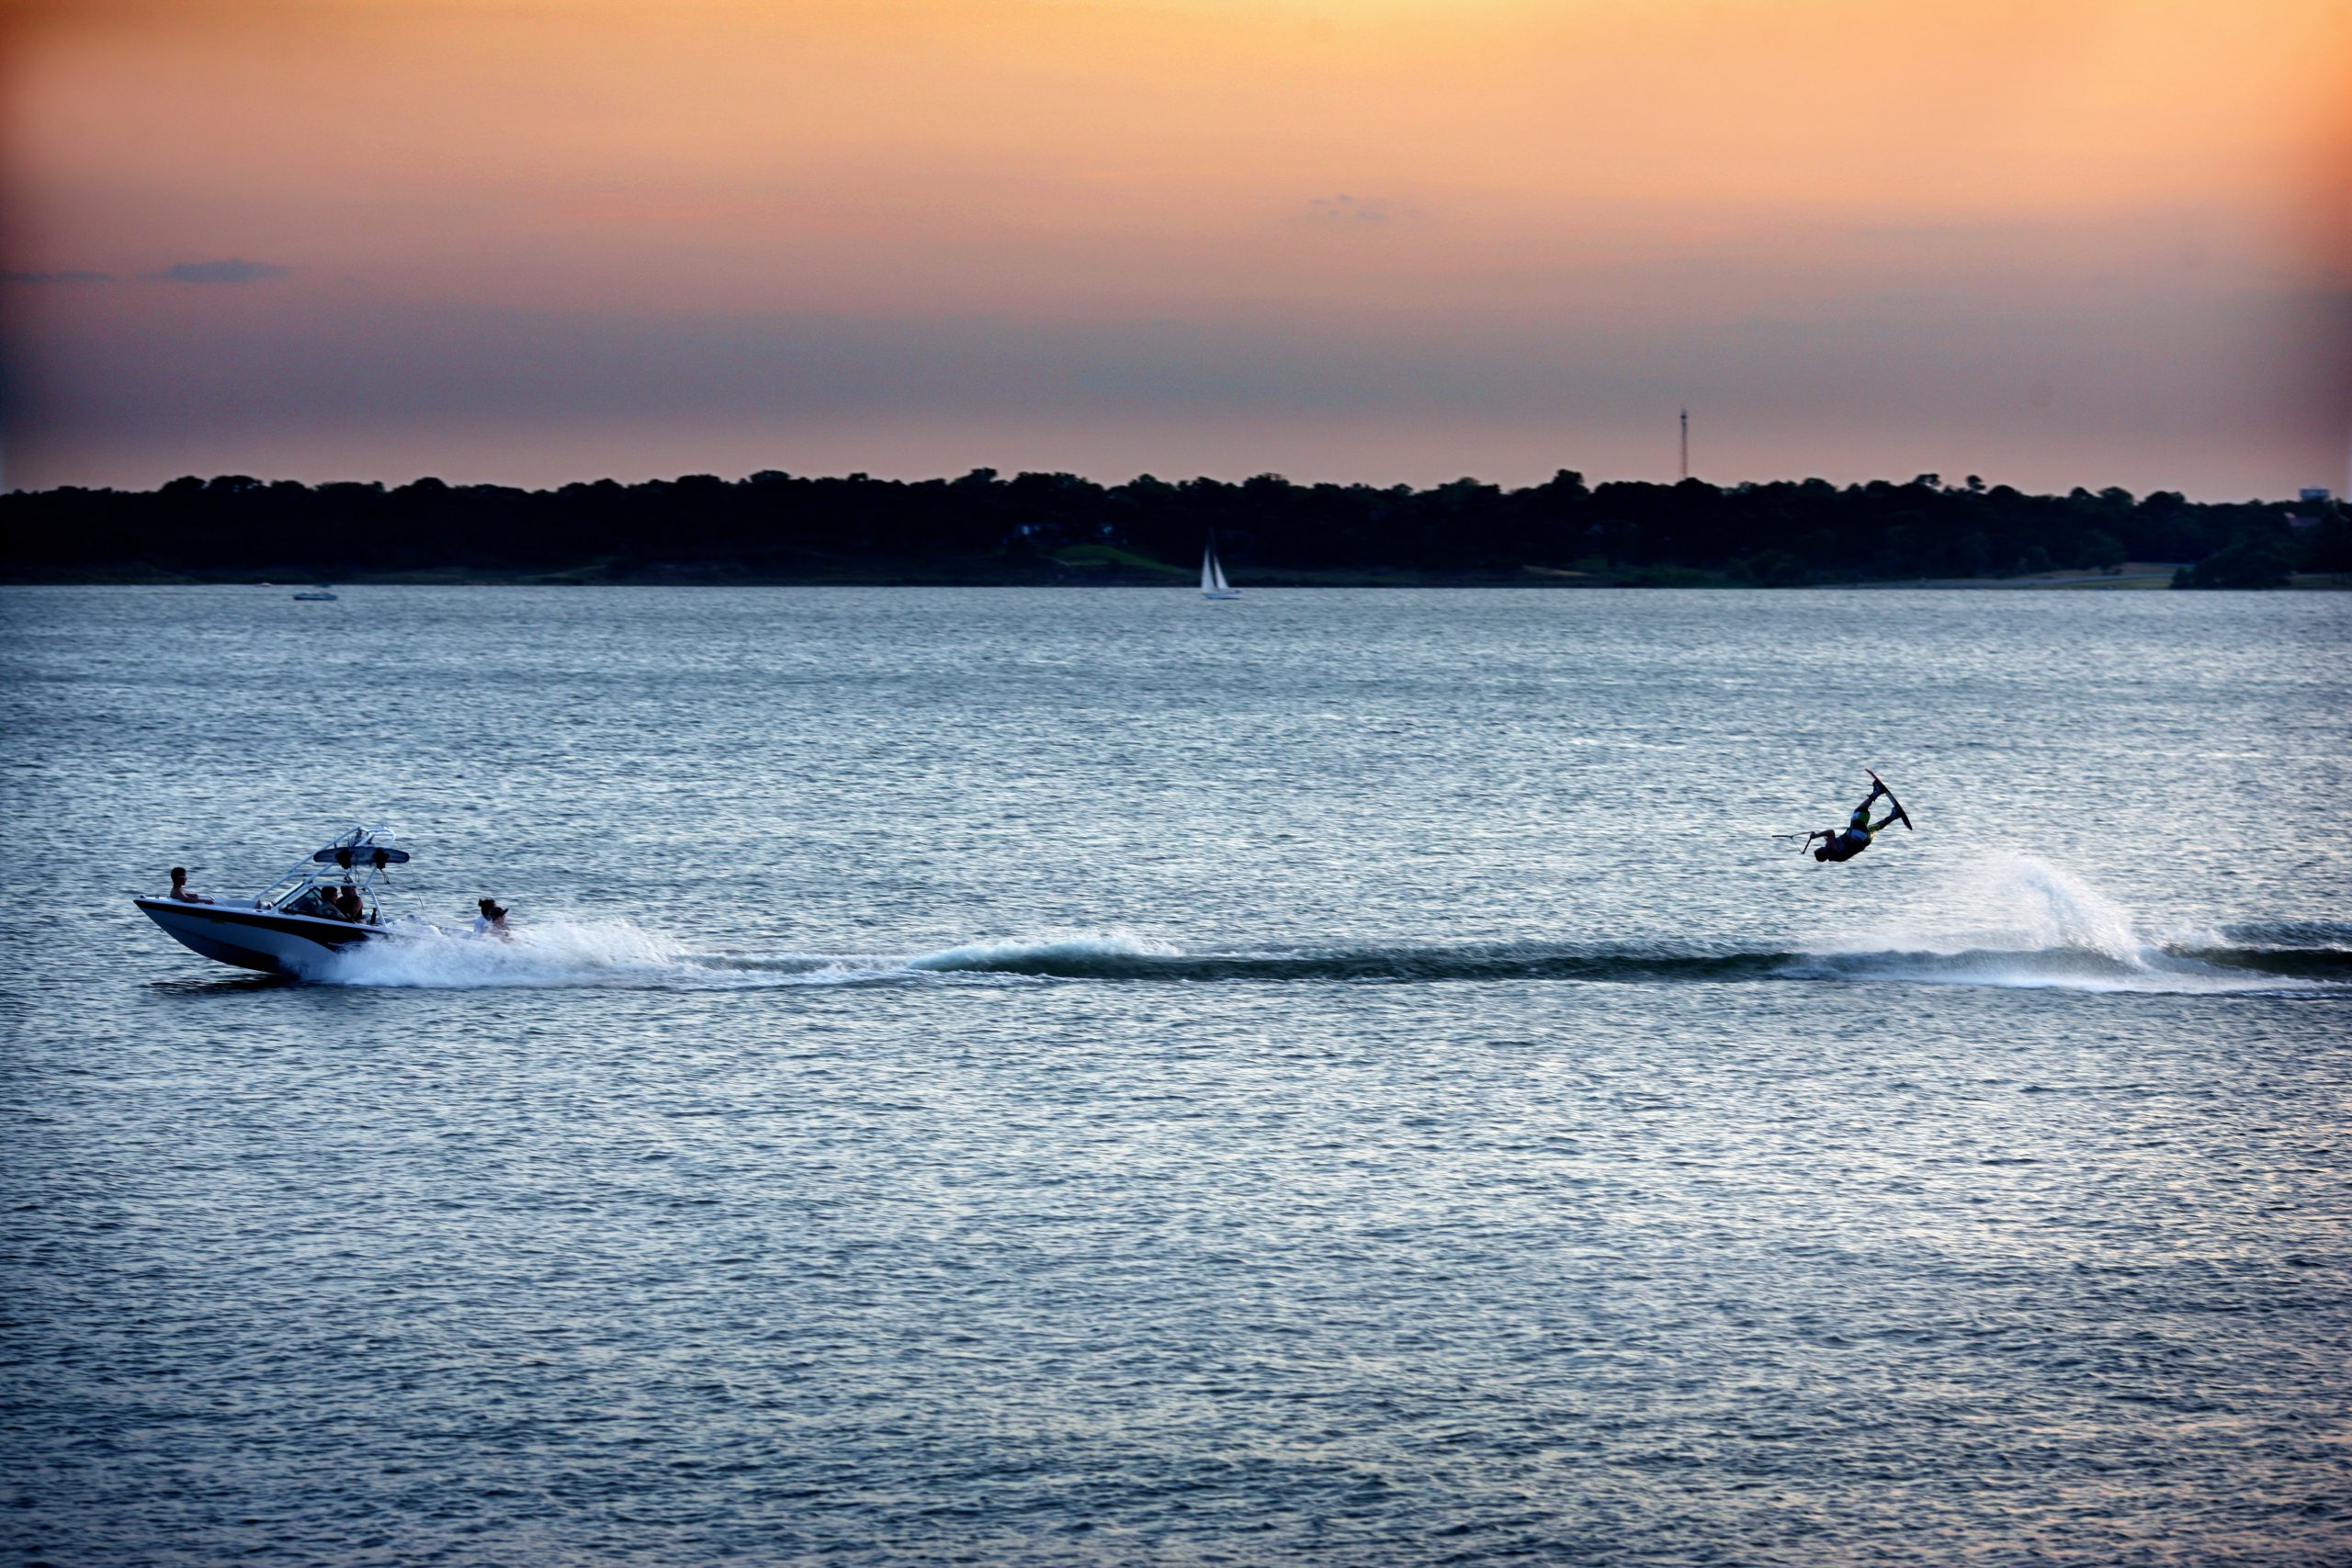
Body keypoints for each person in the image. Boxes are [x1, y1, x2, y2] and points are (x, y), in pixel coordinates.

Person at [1807, 778, 1902, 863]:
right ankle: (1878, 791)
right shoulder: (1829, 849)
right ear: (1823, 852)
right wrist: (1816, 836)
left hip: (1864, 841)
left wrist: (1828, 839)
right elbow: (1831, 832)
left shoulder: (1835, 857)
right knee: (1859, 811)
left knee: (1873, 828)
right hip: (1857, 835)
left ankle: (1895, 815)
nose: (1821, 847)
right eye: (1820, 849)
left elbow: (1842, 846)